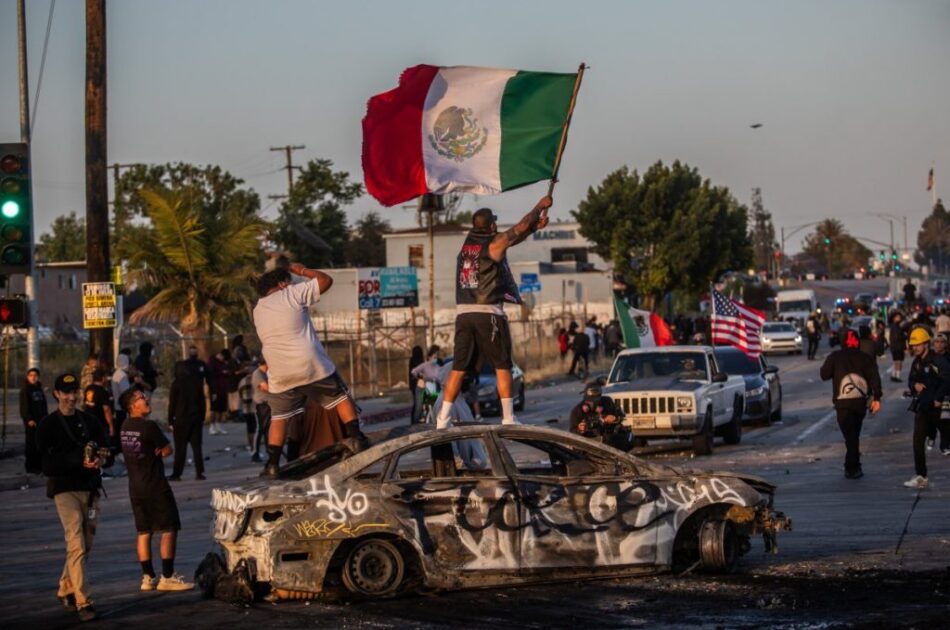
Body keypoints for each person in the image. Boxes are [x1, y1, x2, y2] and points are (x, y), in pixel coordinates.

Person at [434, 196, 552, 429]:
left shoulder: (468, 248)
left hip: (463, 315)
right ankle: (508, 418)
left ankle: (442, 420)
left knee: (459, 367)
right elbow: (515, 231)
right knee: (502, 365)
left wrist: (532, 229)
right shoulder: (493, 244)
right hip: (488, 313)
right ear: (492, 226)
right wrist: (539, 206)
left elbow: (512, 239)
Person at [253, 263, 368, 477]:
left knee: (279, 417)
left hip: (278, 369)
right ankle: (357, 438)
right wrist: (303, 272)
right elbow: (326, 281)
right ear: (282, 284)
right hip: (309, 363)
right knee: (341, 396)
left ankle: (272, 463)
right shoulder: (291, 293)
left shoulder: (258, 309)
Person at [35, 373, 114, 622]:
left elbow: (107, 450)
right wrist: (77, 459)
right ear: (56, 394)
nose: (71, 397)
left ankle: (65, 586)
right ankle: (84, 601)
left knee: (84, 546)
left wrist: (100, 458)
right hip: (64, 489)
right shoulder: (47, 426)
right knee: (77, 543)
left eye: (74, 392)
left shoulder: (89, 421)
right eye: (65, 393)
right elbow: (46, 465)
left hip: (90, 490)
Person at [118, 389, 194, 592]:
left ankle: (147, 577)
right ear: (133, 405)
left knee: (144, 532)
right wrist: (162, 451)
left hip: (135, 488)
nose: (146, 399)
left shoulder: (125, 427)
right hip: (155, 486)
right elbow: (168, 449)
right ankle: (167, 576)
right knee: (169, 529)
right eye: (142, 398)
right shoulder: (148, 426)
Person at [819, 329, 883, 479]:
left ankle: (852, 467)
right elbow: (875, 379)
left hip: (842, 403)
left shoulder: (835, 357)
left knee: (851, 436)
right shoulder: (865, 358)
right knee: (853, 435)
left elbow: (824, 374)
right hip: (860, 403)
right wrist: (877, 398)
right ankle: (853, 465)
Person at [903, 328, 950, 489]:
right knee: (917, 441)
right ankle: (921, 476)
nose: (915, 347)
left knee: (947, 440)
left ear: (925, 344)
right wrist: (914, 385)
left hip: (939, 408)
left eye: (918, 344)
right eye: (913, 345)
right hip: (923, 408)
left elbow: (947, 380)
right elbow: (910, 380)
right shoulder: (916, 363)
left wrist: (938, 398)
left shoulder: (938, 361)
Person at [167, 346, 208, 481]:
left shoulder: (176, 384)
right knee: (197, 447)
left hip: (181, 419)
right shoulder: (196, 383)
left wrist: (170, 420)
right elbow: (202, 400)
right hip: (195, 417)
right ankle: (199, 472)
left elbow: (172, 403)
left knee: (180, 448)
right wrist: (202, 416)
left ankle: (177, 473)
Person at [569, 382, 630, 451]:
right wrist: (580, 429)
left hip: (610, 442)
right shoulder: (577, 411)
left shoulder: (607, 402)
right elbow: (572, 432)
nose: (594, 404)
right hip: (589, 445)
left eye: (597, 400)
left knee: (623, 436)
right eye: (590, 403)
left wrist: (614, 418)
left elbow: (621, 415)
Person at [19, 367, 48, 474]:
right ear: (27, 377)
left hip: (41, 421)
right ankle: (30, 467)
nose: (33, 378)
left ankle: (39, 466)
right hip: (31, 423)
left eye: (35, 376)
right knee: (31, 445)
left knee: (40, 444)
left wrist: (46, 418)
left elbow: (43, 405)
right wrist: (28, 419)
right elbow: (23, 407)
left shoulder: (39, 389)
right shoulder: (25, 390)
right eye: (31, 376)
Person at [410, 345, 443, 423]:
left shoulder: (438, 367)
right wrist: (420, 377)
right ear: (429, 357)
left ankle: (431, 422)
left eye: (436, 358)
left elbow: (440, 376)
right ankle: (414, 423)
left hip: (432, 387)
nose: (435, 359)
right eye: (433, 357)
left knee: (431, 406)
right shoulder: (425, 365)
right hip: (422, 387)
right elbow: (414, 371)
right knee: (419, 407)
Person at [82, 368, 114, 443]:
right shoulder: (102, 392)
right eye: (106, 377)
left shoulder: (88, 388)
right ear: (103, 378)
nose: (107, 379)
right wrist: (111, 426)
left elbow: (84, 404)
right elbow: (106, 410)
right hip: (100, 424)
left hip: (88, 422)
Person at [207, 348, 231, 435]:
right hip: (215, 389)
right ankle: (211, 426)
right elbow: (211, 375)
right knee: (214, 409)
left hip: (223, 389)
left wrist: (226, 373)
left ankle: (218, 425)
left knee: (221, 409)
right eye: (223, 358)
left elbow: (227, 372)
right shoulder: (212, 362)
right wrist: (213, 391)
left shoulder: (223, 363)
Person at [250, 358, 271, 463]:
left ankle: (269, 451)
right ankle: (255, 452)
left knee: (267, 429)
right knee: (260, 429)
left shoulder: (266, 373)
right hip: (260, 404)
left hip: (267, 404)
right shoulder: (257, 374)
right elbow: (266, 387)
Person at [112, 353, 132, 440]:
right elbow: (126, 392)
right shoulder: (122, 376)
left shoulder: (116, 373)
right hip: (122, 406)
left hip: (117, 405)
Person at [888, 312, 907, 383]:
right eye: (898, 317)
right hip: (898, 346)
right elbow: (897, 337)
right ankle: (897, 376)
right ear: (894, 318)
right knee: (899, 362)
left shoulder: (894, 326)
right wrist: (904, 336)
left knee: (896, 361)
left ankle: (894, 375)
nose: (899, 318)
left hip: (895, 346)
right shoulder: (896, 327)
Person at [407, 345, 424, 423]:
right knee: (418, 404)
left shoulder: (413, 360)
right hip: (417, 384)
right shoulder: (417, 361)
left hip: (415, 385)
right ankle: (416, 420)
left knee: (417, 403)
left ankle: (415, 420)